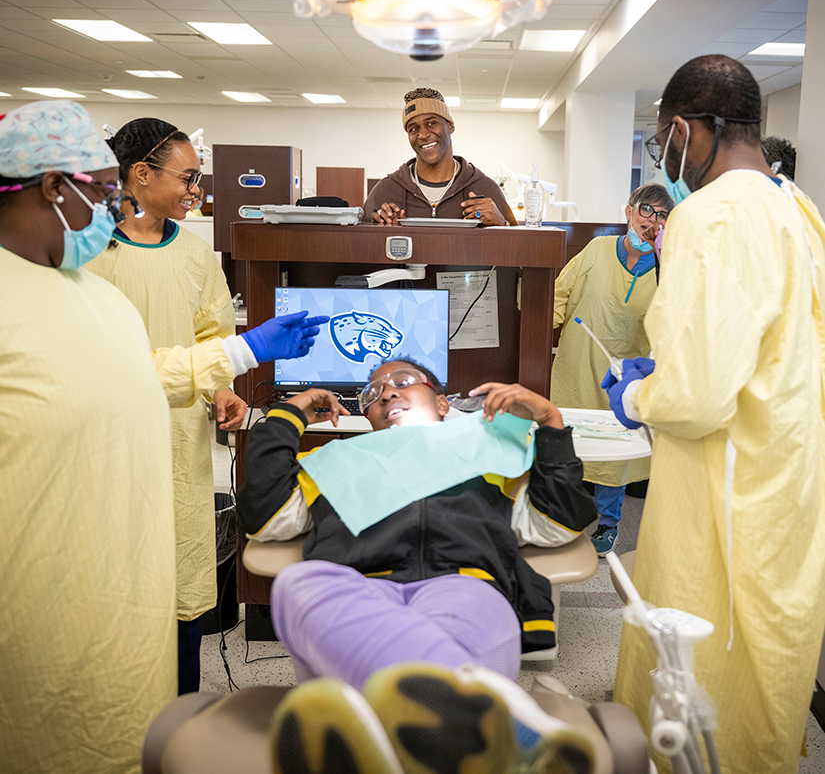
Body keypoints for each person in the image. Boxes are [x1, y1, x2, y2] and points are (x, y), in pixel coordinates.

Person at [0, 100, 328, 774]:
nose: (110, 205)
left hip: (150, 485)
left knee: (162, 624)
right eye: (100, 188)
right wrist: (240, 353)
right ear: (55, 187)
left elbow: (150, 369)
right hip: (49, 544)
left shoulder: (87, 295)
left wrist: (234, 364)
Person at [603, 56, 825, 774]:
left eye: (661, 144)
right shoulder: (796, 206)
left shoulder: (710, 214)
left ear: (679, 130)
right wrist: (670, 371)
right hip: (785, 475)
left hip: (723, 492)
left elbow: (697, 399)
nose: (664, 161)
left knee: (704, 655)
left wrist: (637, 396)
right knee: (768, 643)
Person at [237, 359, 598, 773]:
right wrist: (289, 414)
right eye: (372, 394)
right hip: (358, 590)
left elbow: (561, 523)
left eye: (403, 382)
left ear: (444, 403)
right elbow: (264, 517)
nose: (387, 392)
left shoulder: (491, 453)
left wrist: (550, 423)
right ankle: (507, 726)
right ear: (366, 417)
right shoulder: (334, 462)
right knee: (297, 582)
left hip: (465, 587)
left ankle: (384, 734)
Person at [86, 118, 254, 693]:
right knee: (116, 578)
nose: (195, 190)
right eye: (187, 177)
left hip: (180, 440)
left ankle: (177, 717)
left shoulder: (195, 254)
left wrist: (223, 389)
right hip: (107, 437)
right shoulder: (92, 252)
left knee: (181, 583)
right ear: (140, 174)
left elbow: (212, 334)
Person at [551, 184, 673, 555]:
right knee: (565, 443)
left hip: (621, 376)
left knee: (614, 452)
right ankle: (558, 517)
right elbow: (559, 294)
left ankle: (608, 525)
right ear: (629, 211)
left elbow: (671, 323)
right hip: (575, 364)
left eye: (663, 216)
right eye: (647, 211)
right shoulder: (598, 249)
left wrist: (665, 261)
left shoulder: (667, 269)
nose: (652, 222)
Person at [366, 88, 518, 226]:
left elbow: (519, 250)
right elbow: (358, 248)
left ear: (450, 126)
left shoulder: (483, 188)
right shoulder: (386, 191)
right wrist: (381, 233)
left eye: (431, 123)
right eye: (413, 128)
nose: (423, 134)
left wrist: (501, 224)